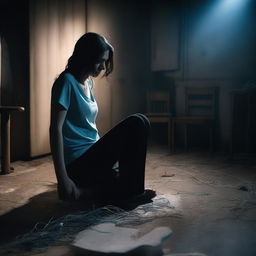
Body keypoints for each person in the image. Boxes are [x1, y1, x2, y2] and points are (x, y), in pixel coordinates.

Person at [50, 32, 153, 202]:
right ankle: (130, 191)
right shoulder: (65, 82)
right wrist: (63, 179)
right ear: (86, 57)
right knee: (137, 122)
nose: (103, 67)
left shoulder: (89, 83)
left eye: (105, 61)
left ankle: (120, 189)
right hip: (77, 164)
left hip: (91, 155)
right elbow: (55, 129)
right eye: (100, 61)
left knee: (142, 121)